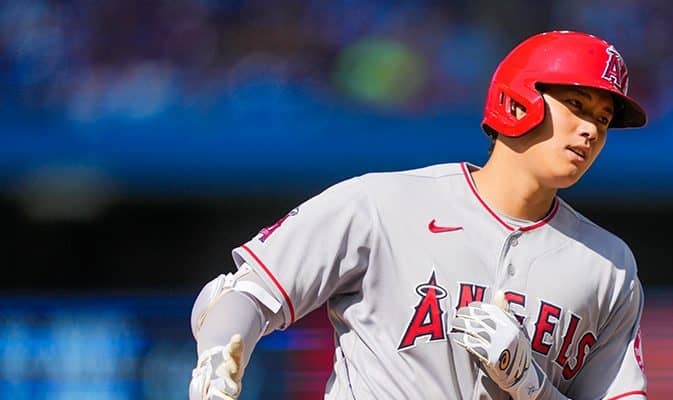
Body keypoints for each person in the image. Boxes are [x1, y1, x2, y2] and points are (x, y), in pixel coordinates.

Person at [189, 30, 649, 400]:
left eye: (603, 119)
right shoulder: (382, 203)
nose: (590, 130)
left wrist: (531, 386)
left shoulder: (609, 266)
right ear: (517, 101)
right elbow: (246, 292)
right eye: (576, 105)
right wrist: (216, 360)